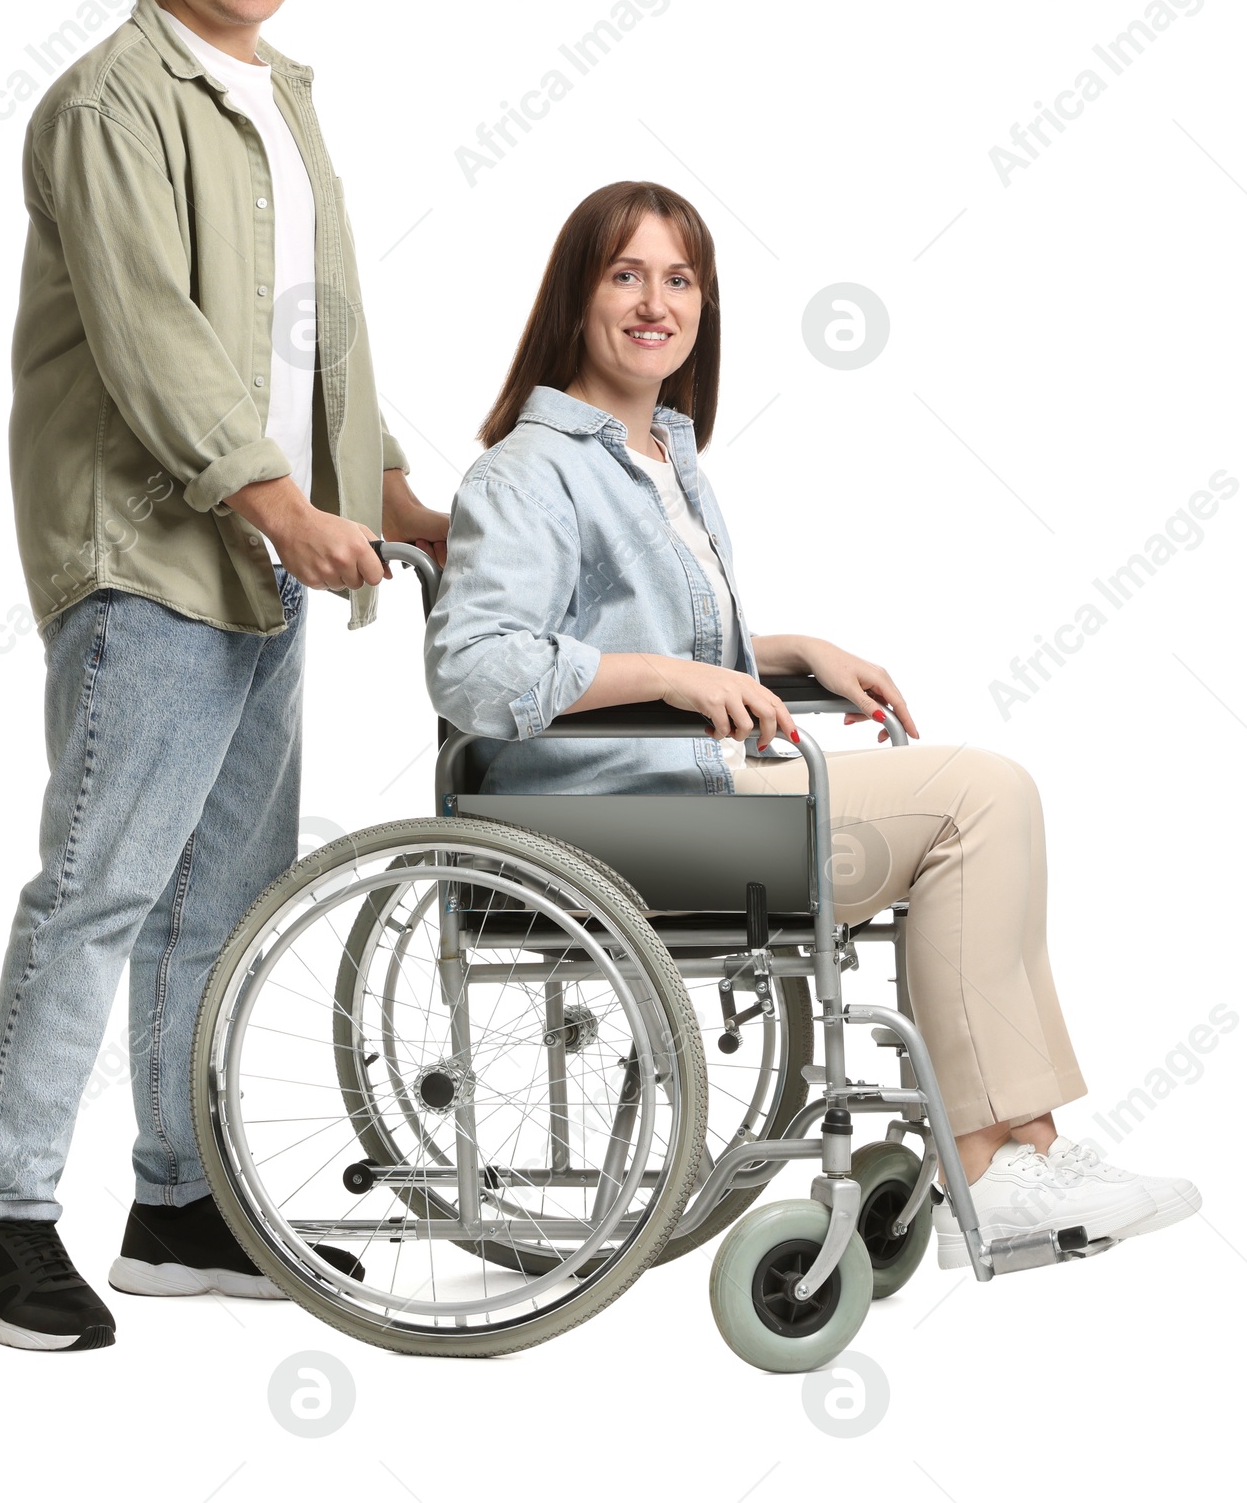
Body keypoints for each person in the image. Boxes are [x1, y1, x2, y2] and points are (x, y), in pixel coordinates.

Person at [423, 179, 1199, 1266]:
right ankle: (996, 1163)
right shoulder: (530, 468)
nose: (657, 302)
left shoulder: (660, 461)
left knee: (986, 808)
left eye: (680, 279)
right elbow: (472, 666)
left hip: (685, 797)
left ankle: (1022, 1148)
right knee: (981, 796)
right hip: (618, 821)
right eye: (627, 274)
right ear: (576, 297)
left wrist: (781, 656)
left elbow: (655, 651)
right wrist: (677, 678)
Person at [0, 0, 448, 1352]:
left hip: (271, 548)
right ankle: (4, 1227)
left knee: (223, 897)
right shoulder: (112, 102)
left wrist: (391, 494)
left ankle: (179, 1204)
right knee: (98, 887)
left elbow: (313, 331)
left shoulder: (279, 100)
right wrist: (275, 500)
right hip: (156, 553)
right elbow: (156, 337)